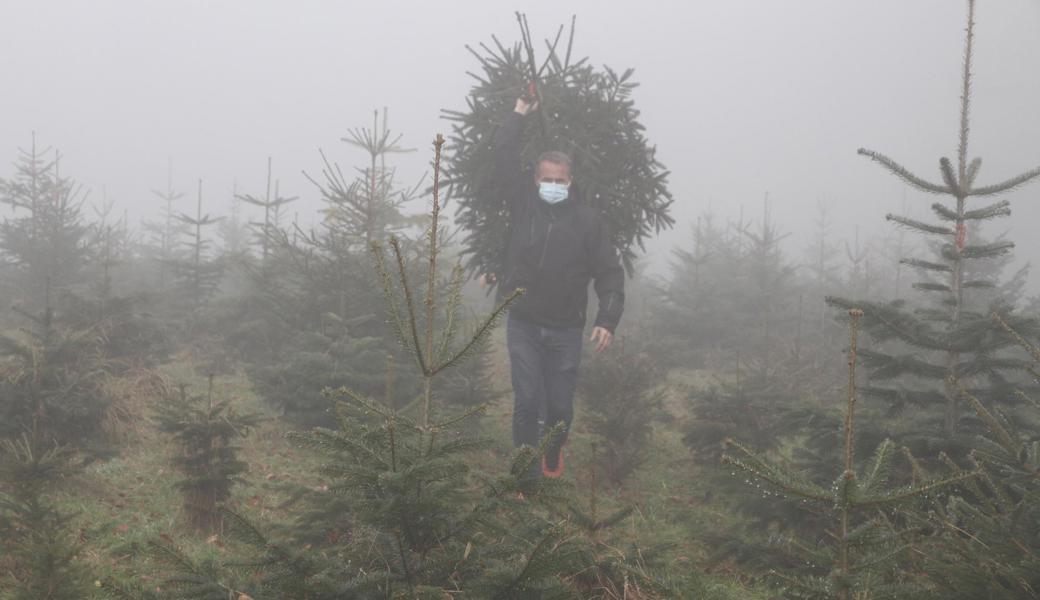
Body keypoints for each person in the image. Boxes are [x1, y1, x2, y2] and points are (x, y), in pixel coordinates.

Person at [490, 95, 624, 479]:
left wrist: (607, 319)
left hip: (566, 328)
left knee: (560, 408)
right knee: (527, 400)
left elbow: (610, 273)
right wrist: (517, 112)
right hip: (524, 323)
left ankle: (553, 449)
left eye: (559, 180)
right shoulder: (523, 206)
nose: (552, 185)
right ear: (535, 181)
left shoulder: (587, 222)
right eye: (545, 180)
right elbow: (502, 156)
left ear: (570, 182)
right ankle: (526, 474)